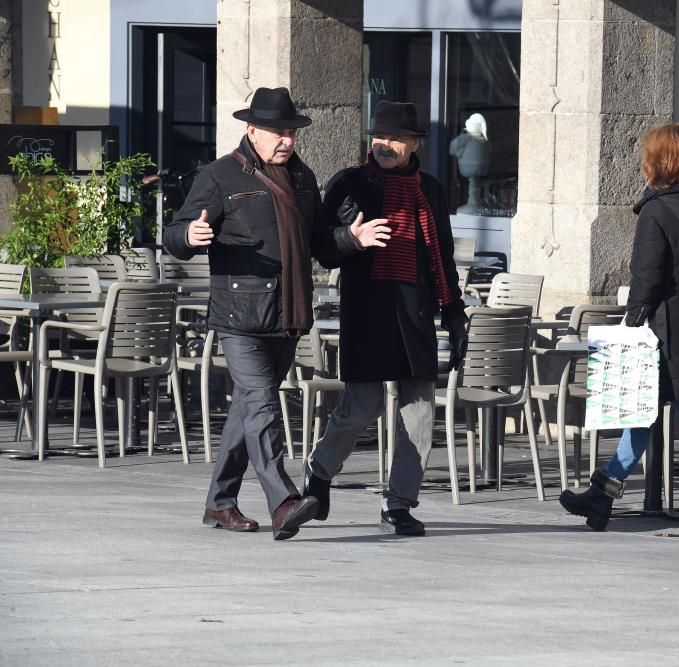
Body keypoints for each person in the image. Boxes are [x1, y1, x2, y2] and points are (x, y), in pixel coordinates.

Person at [163, 87, 389, 540]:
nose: (286, 140)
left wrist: (351, 239)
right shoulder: (220, 175)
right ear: (252, 130)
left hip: (287, 313)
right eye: (277, 132)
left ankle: (219, 502)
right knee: (263, 404)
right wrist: (191, 234)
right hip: (238, 315)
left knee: (248, 408)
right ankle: (283, 501)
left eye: (291, 132)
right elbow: (173, 235)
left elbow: (320, 247)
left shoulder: (303, 179)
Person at [559, 122, 679, 544]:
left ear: (661, 163)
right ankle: (602, 494)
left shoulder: (657, 210)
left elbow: (645, 277)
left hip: (664, 324)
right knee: (643, 409)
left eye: (648, 158)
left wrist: (633, 320)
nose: (643, 166)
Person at [304, 101, 467, 537]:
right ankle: (319, 473)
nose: (385, 145)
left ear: (414, 144)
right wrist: (351, 239)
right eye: (379, 137)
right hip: (369, 309)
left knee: (418, 410)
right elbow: (321, 247)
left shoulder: (430, 190)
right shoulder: (350, 184)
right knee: (363, 404)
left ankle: (399, 503)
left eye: (396, 138)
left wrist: (454, 313)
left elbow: (442, 258)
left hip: (415, 311)